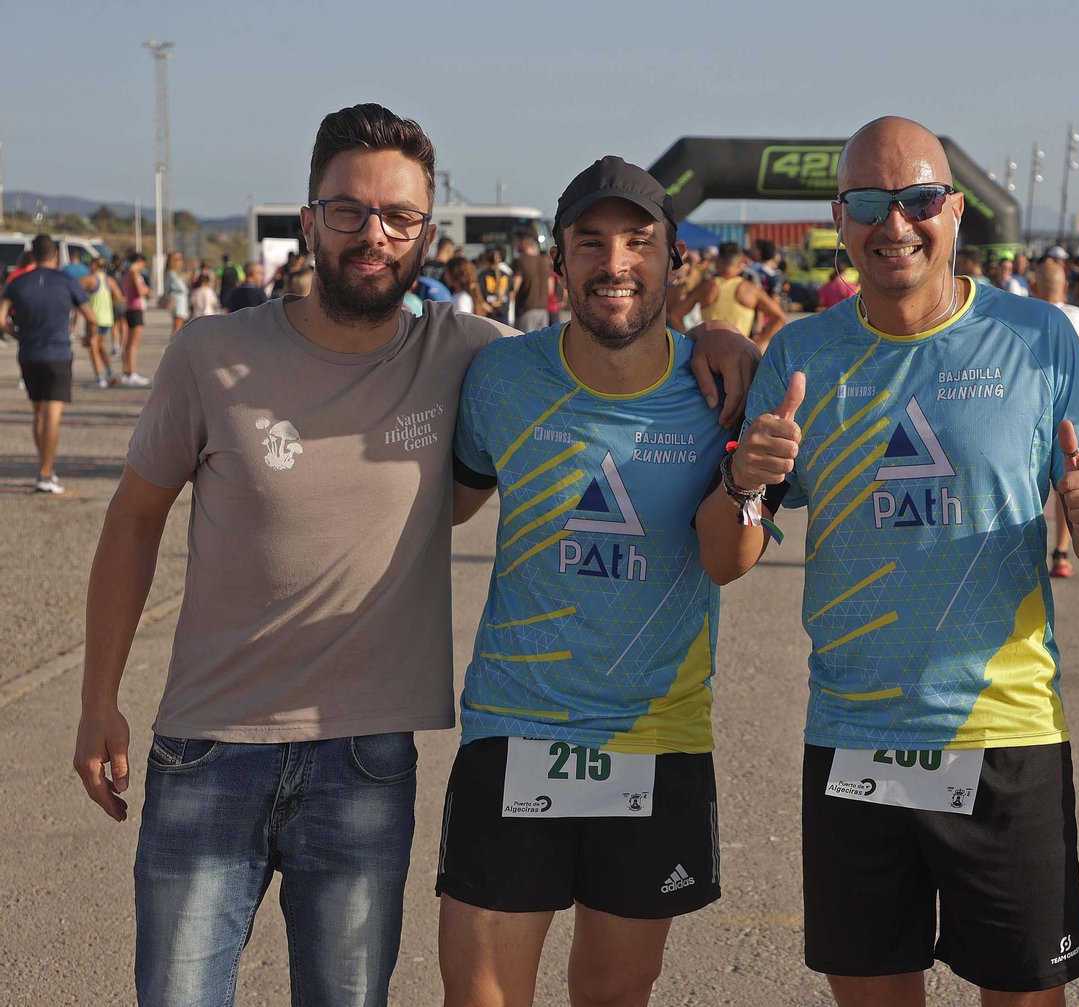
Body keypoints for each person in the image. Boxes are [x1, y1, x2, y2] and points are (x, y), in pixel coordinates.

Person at [70, 103, 759, 1007]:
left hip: (367, 760)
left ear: (425, 234)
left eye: (399, 217)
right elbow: (132, 520)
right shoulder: (218, 353)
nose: (373, 236)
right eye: (349, 211)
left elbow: (610, 347)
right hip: (211, 748)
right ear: (308, 218)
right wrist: (96, 699)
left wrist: (718, 341)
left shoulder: (469, 353)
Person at [699, 115, 1079, 1007]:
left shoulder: (1037, 337)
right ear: (839, 218)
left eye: (917, 200)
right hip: (854, 737)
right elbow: (725, 559)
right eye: (867, 202)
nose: (893, 223)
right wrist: (746, 482)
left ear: (955, 208)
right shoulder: (802, 354)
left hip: (1005, 733)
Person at [440, 154, 735, 1007]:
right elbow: (447, 506)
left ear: (675, 260)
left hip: (656, 735)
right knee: (481, 996)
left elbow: (736, 548)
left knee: (614, 997)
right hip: (514, 726)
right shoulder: (498, 377)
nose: (616, 263)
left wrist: (729, 339)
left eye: (640, 242)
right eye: (592, 242)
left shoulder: (720, 392)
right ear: (558, 258)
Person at [0, 234, 98, 493]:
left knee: (38, 413)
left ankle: (45, 467)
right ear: (55, 254)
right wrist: (89, 338)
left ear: (31, 254)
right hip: (58, 354)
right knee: (52, 415)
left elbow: (1, 320)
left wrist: (15, 333)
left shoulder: (16, 282)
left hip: (29, 354)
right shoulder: (67, 282)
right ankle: (45, 474)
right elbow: (92, 317)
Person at [1035, 258, 1079, 580]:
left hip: (1031, 413)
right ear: (1067, 286)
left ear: (1035, 286)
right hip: (1073, 414)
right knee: (1069, 482)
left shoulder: (1024, 315)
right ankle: (1061, 552)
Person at [691, 240, 787, 348]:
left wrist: (690, 343)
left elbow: (675, 315)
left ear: (718, 263)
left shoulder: (705, 287)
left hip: (708, 352)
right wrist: (759, 343)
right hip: (740, 353)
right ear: (740, 265)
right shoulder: (750, 290)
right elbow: (780, 317)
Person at [116, 252, 152, 387]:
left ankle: (127, 371)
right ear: (140, 261)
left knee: (128, 343)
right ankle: (131, 372)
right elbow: (139, 291)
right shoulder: (134, 273)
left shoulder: (125, 274)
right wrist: (147, 290)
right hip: (136, 309)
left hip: (129, 308)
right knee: (134, 343)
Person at [510, 227, 553, 331]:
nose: (514, 245)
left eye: (516, 241)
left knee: (525, 345)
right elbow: (550, 289)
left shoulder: (520, 261)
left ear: (523, 242)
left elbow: (515, 287)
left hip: (526, 310)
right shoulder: (544, 261)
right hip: (543, 310)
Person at [84, 257, 117, 388]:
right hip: (107, 318)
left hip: (95, 318)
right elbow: (119, 296)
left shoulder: (91, 279)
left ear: (95, 265)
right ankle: (110, 372)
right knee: (100, 346)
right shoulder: (109, 280)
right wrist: (109, 305)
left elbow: (72, 284)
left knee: (93, 347)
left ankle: (99, 378)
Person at [477, 246, 512, 323]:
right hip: (503, 315)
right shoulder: (507, 275)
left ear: (485, 260)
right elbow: (512, 293)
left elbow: (478, 296)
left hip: (489, 316)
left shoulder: (481, 276)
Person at [165, 251, 191, 335]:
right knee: (177, 326)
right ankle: (174, 345)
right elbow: (181, 288)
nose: (180, 261)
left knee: (181, 325)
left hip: (182, 301)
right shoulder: (171, 273)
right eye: (177, 259)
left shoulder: (177, 273)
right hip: (177, 301)